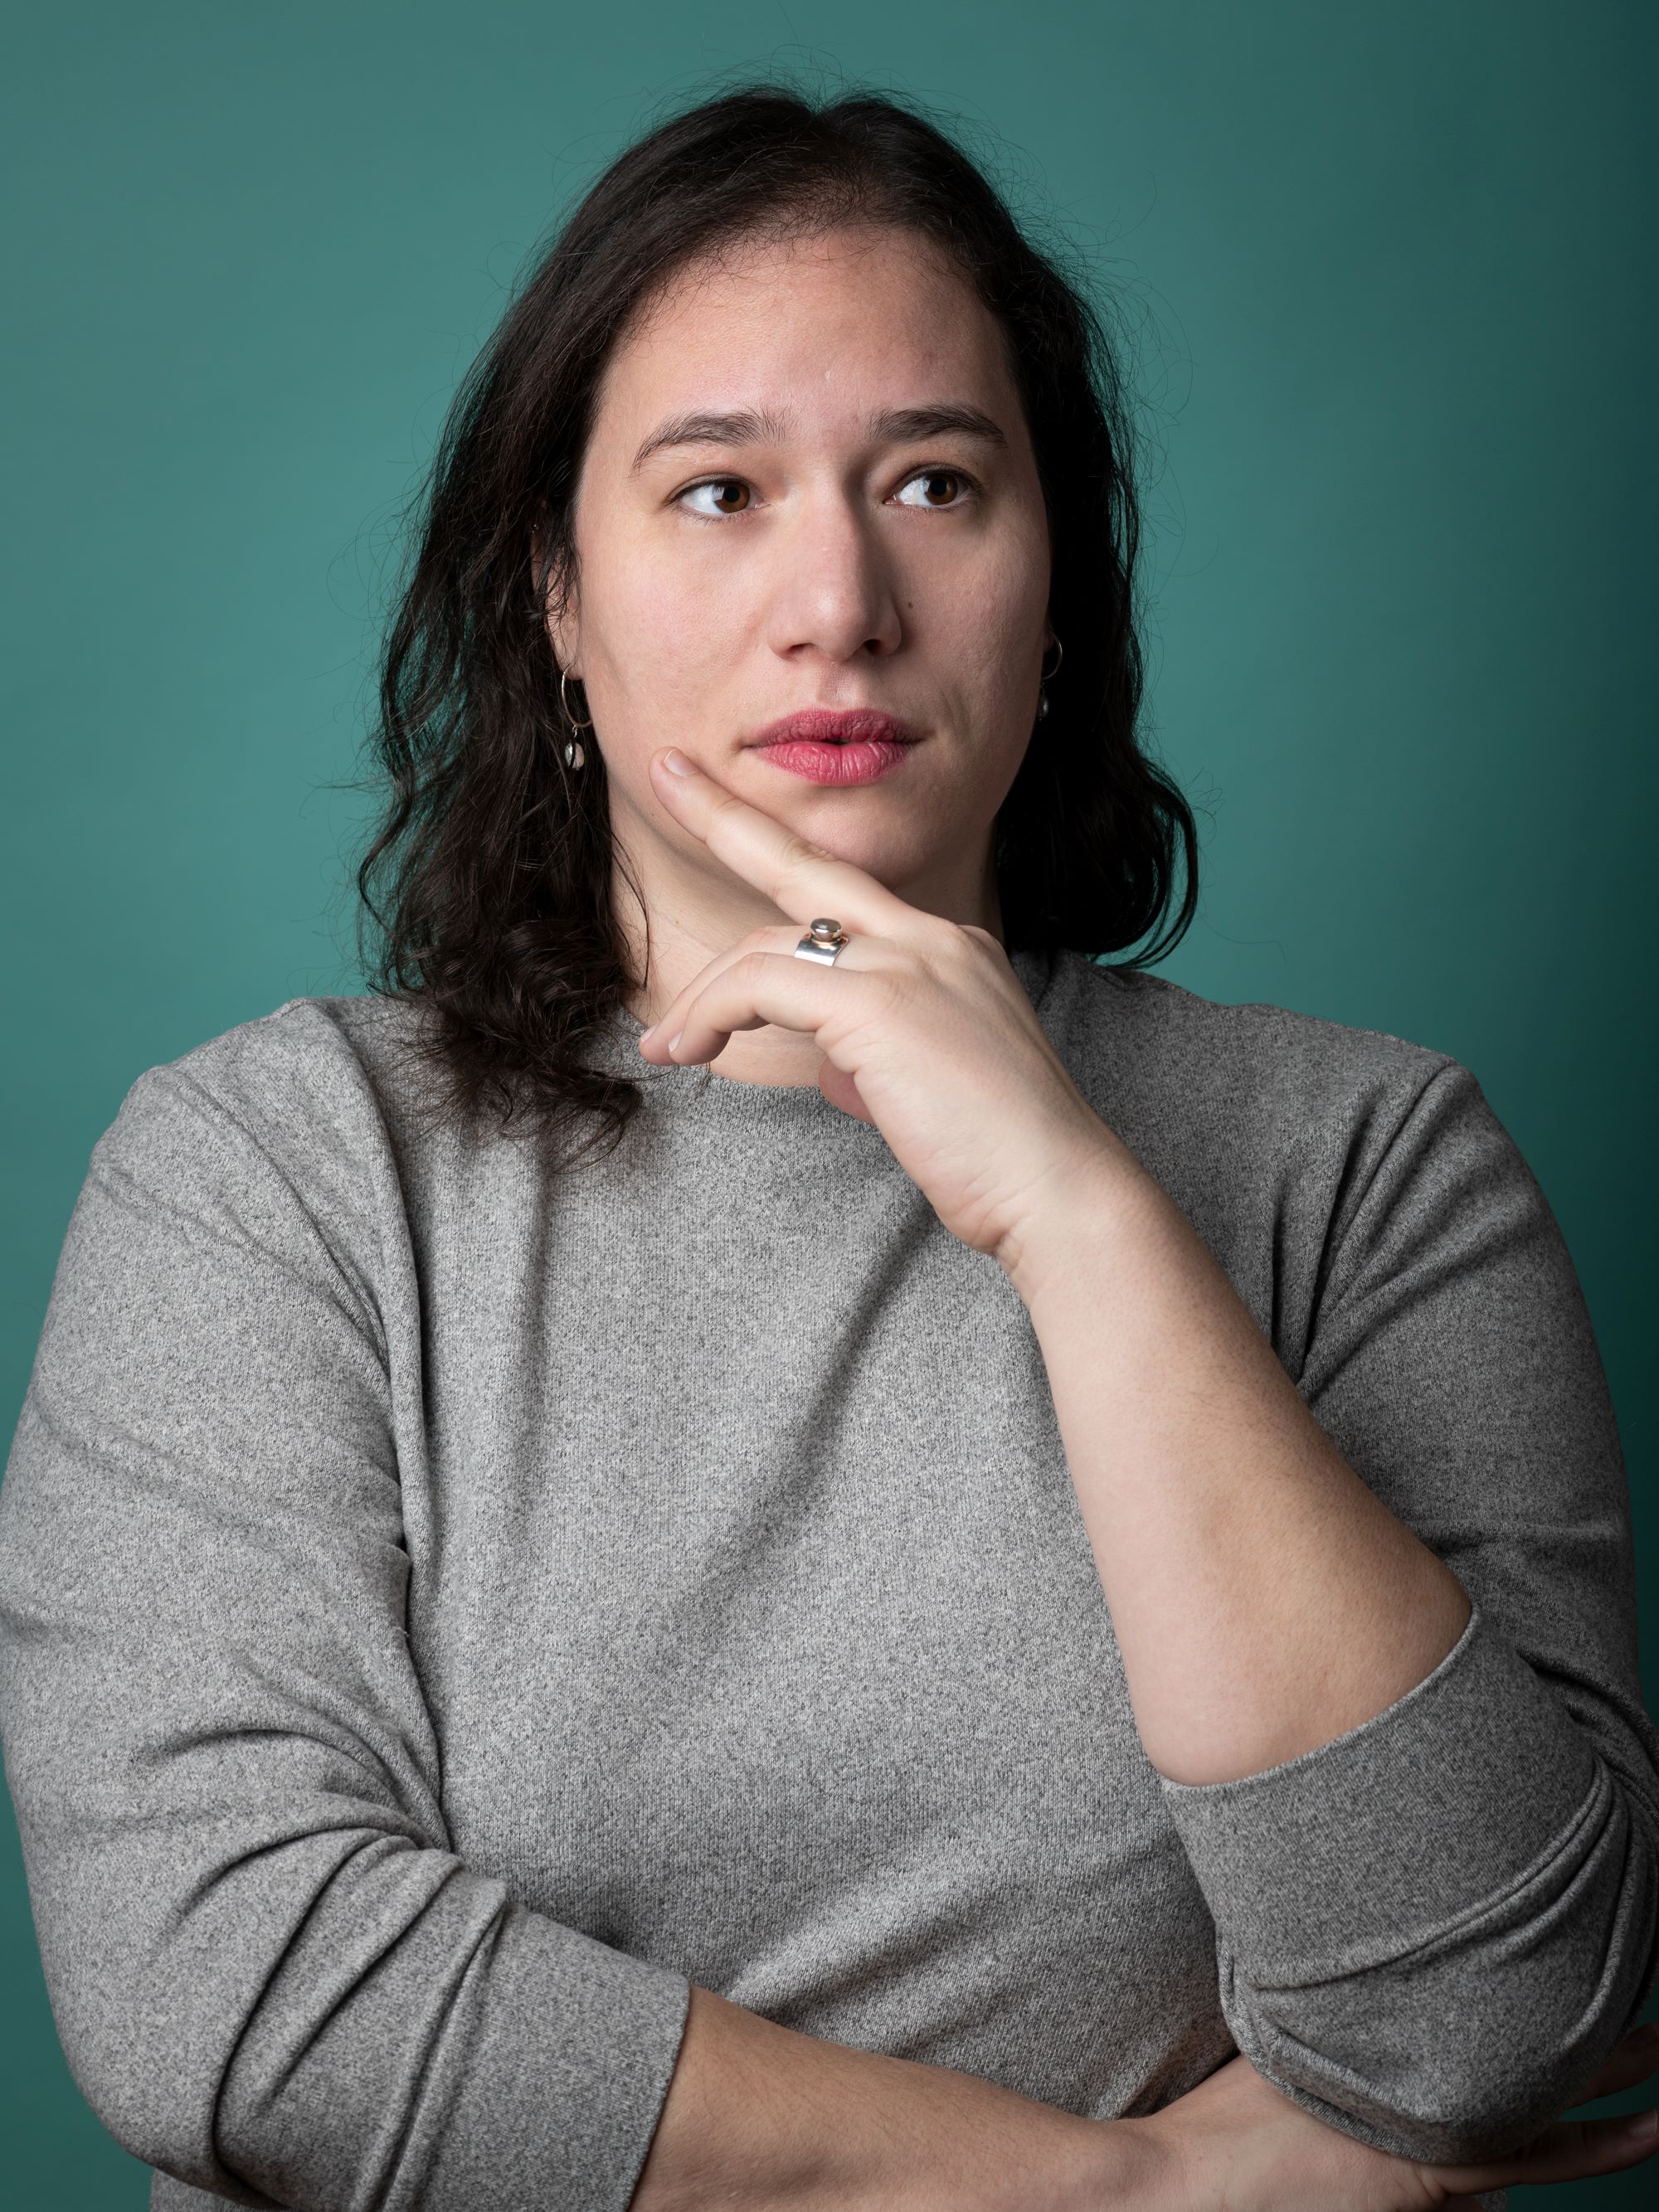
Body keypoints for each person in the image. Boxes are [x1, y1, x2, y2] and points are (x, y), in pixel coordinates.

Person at [0, 80, 1656, 2212]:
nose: (839, 599)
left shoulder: (1364, 1163)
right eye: (714, 492)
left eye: (937, 481)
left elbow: (1499, 2013)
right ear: (555, 602)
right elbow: (230, 1988)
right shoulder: (271, 1170)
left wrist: (1074, 1208)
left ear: (1051, 591)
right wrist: (1137, 2197)